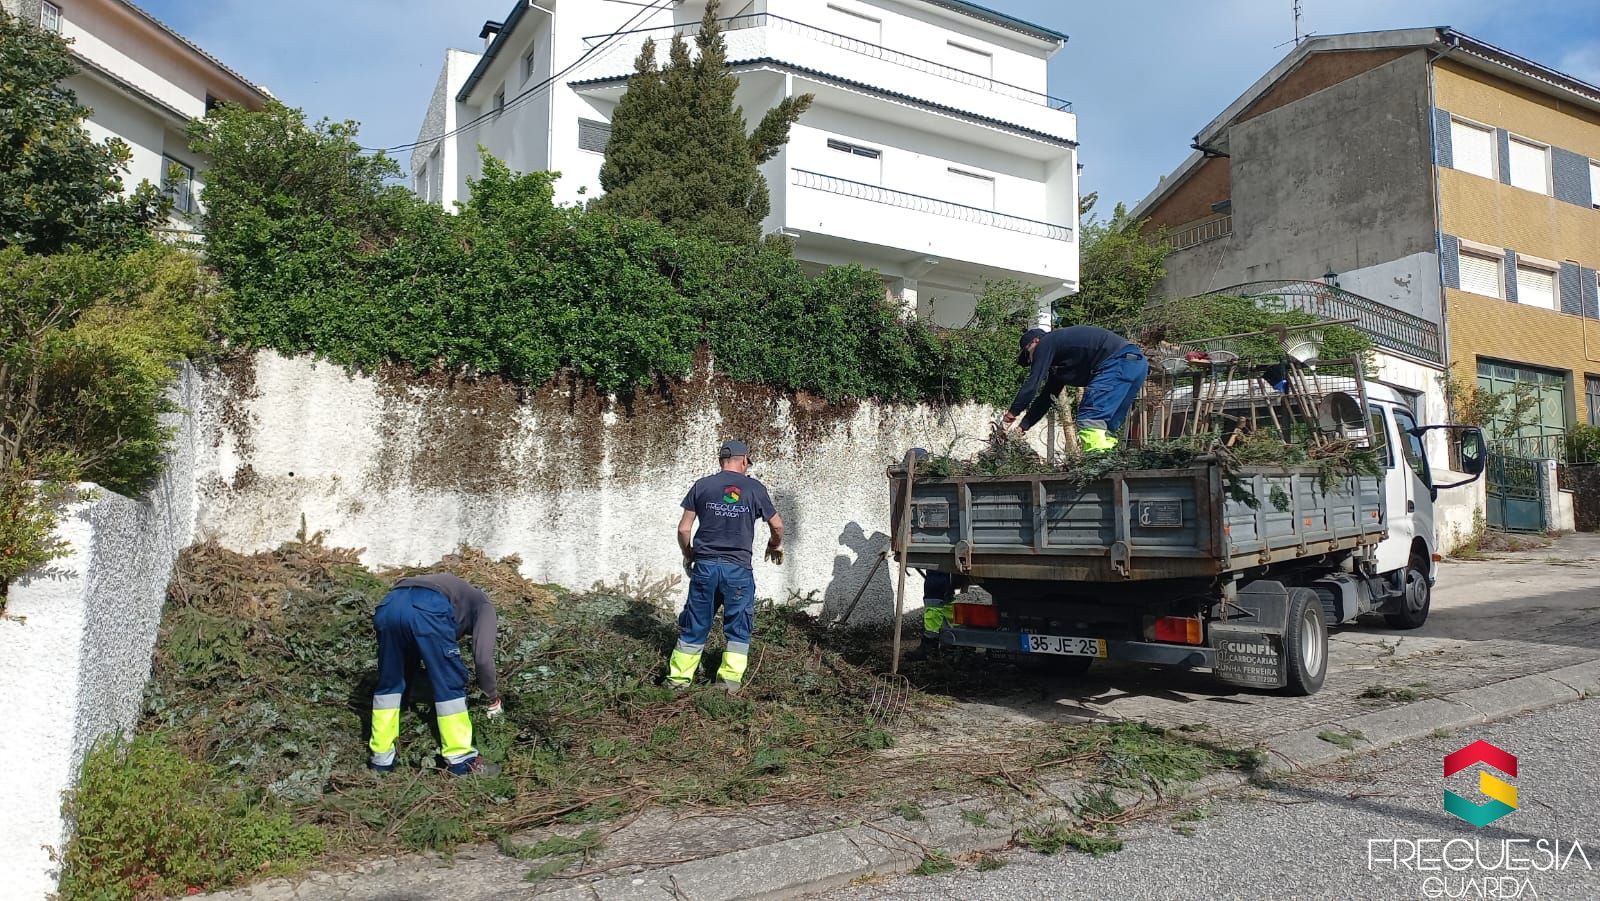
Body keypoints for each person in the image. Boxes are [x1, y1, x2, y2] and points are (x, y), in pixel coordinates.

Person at [669, 439, 785, 693]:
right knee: (738, 624)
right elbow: (777, 525)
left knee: (695, 622)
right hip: (738, 570)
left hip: (705, 567)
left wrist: (689, 555)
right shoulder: (754, 488)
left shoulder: (702, 486)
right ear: (744, 461)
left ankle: (678, 681)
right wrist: (774, 545)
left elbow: (683, 528)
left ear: (721, 460)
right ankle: (728, 683)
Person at [368, 572, 502, 777]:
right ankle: (461, 760)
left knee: (390, 682)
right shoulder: (484, 606)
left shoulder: (454, 589)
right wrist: (492, 699)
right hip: (428, 607)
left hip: (390, 604)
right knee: (449, 681)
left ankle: (381, 759)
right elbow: (483, 658)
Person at [1003, 325, 1148, 453]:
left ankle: (1098, 467)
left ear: (1035, 341)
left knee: (1090, 419)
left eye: (1029, 355)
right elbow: (1046, 398)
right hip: (1136, 364)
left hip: (1117, 362)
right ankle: (1110, 463)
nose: (1031, 360)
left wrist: (1012, 413)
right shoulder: (1061, 362)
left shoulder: (1046, 343)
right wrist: (1023, 426)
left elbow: (1032, 384)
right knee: (1105, 427)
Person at [905, 569, 955, 662]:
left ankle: (929, 647)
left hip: (939, 567)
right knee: (946, 598)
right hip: (948, 569)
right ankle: (949, 647)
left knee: (934, 595)